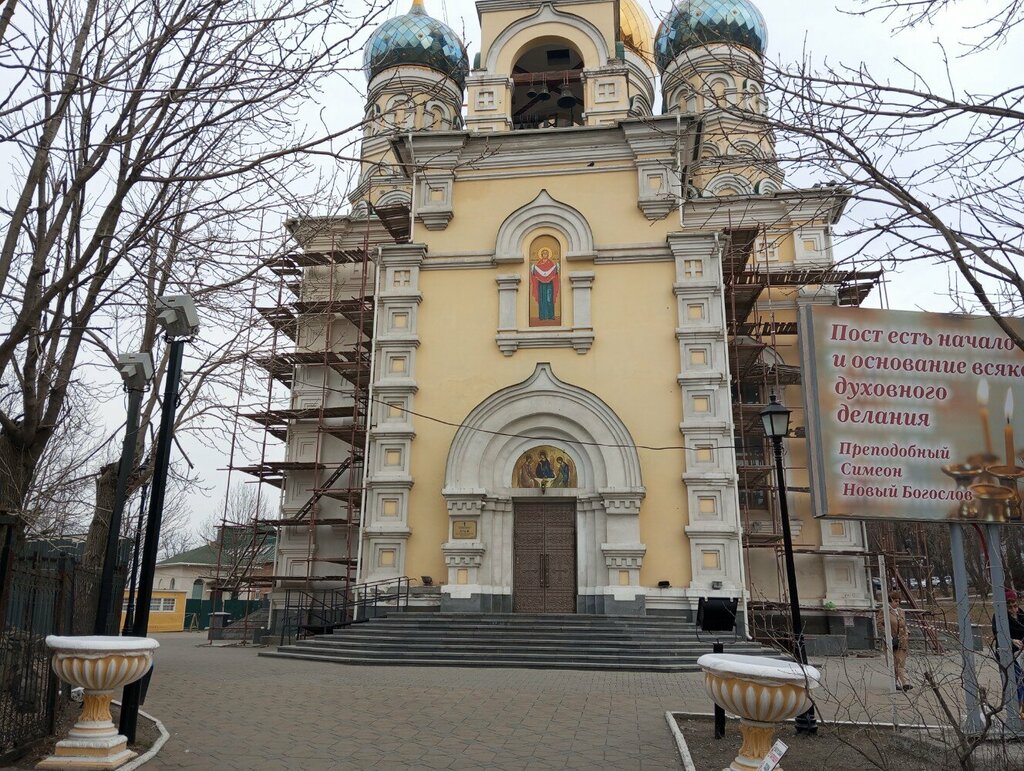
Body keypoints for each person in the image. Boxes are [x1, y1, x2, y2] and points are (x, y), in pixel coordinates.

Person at [991, 589, 1024, 712]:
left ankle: (1021, 710)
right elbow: (997, 633)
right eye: (1009, 607)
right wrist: (1011, 640)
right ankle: (1017, 710)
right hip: (1006, 654)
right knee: (1016, 682)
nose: (1013, 609)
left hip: (1021, 653)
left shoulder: (1021, 615)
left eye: (1015, 605)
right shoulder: (999, 617)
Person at [877, 591, 912, 691]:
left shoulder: (901, 611)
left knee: (900, 662)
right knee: (893, 663)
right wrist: (887, 634)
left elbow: (904, 625)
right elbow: (879, 624)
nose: (897, 603)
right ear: (891, 600)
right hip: (891, 641)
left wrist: (907, 633)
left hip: (902, 641)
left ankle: (905, 682)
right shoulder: (884, 611)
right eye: (896, 601)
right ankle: (895, 682)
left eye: (899, 601)